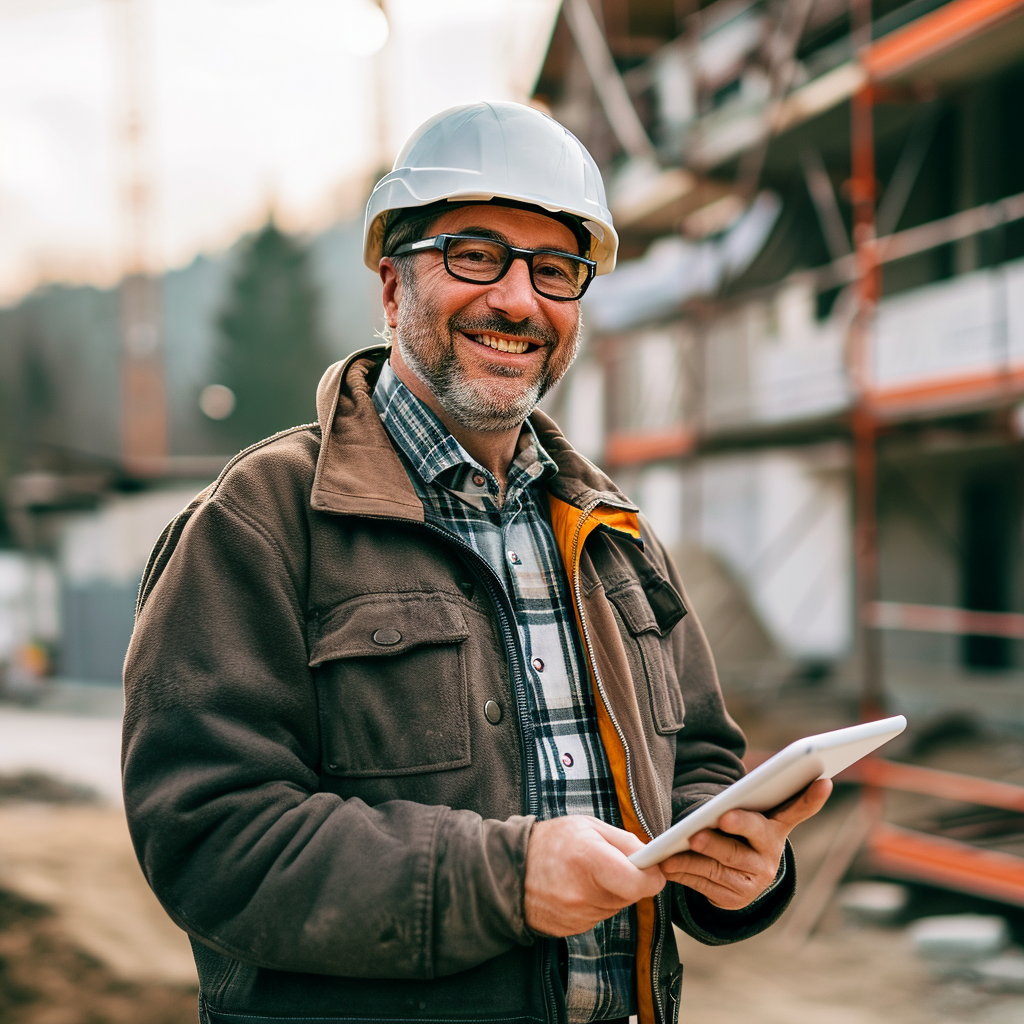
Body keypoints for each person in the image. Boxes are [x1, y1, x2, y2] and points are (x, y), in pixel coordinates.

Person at [122, 102, 830, 1024]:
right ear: (391, 286)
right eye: (476, 255)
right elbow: (212, 837)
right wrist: (505, 880)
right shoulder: (259, 523)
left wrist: (738, 870)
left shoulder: (610, 530)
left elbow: (694, 760)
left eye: (556, 269)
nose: (519, 300)